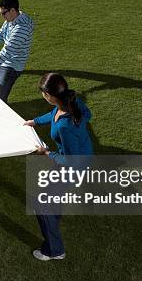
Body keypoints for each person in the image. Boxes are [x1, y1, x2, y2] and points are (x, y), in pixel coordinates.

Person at [23, 73, 93, 261]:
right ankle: (54, 217)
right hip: (77, 158)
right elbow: (77, 114)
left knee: (40, 204)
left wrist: (46, 153)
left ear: (50, 95)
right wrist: (35, 122)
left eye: (43, 93)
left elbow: (71, 160)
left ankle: (54, 250)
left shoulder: (65, 127)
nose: (43, 96)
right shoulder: (70, 103)